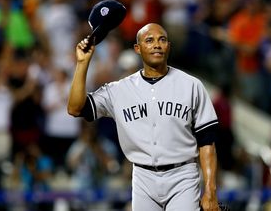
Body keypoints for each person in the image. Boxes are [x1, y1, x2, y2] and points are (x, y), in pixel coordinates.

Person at [67, 22, 220, 211]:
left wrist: (210, 191)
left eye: (162, 39)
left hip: (183, 175)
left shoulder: (192, 85)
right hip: (142, 177)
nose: (157, 44)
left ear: (169, 46)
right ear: (137, 49)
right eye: (149, 40)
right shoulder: (119, 90)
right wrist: (82, 64)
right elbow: (75, 108)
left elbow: (207, 142)